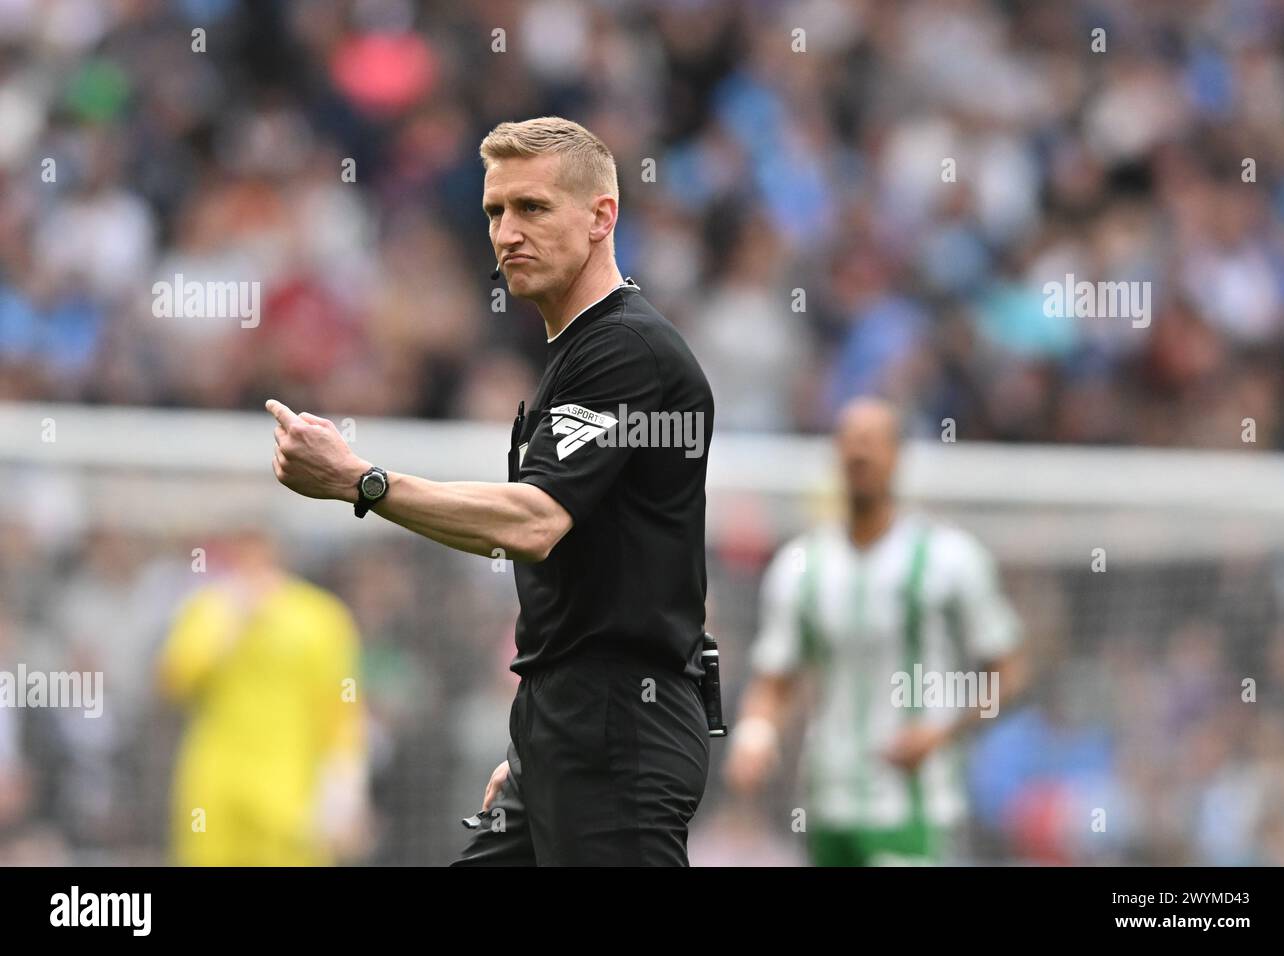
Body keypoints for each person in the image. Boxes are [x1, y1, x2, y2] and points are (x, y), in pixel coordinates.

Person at [264, 116, 715, 866]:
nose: (507, 232)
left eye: (532, 208)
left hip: (618, 726)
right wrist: (539, 740)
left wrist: (361, 482)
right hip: (569, 726)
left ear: (602, 216)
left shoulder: (626, 350)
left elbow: (536, 522)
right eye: (494, 212)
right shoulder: (579, 355)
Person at [725, 398, 1028, 865]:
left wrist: (943, 734)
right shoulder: (801, 567)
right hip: (827, 803)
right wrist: (755, 736)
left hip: (912, 804)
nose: (859, 452)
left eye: (873, 441)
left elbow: (1008, 674)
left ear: (898, 456)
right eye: (849, 440)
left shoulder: (950, 559)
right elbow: (775, 678)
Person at [157, 527, 369, 865]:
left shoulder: (319, 617)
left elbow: (341, 710)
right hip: (214, 791)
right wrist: (227, 626)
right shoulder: (209, 609)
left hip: (290, 793)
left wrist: (344, 789)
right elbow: (175, 682)